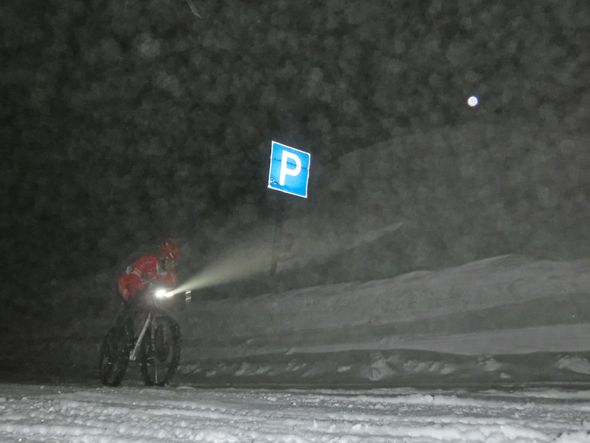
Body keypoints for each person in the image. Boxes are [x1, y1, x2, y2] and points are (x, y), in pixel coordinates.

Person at [115, 239, 180, 333]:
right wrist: (134, 294)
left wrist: (173, 304)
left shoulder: (172, 276)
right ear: (162, 259)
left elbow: (170, 294)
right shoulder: (146, 261)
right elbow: (133, 279)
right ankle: (121, 332)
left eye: (175, 263)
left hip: (146, 291)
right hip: (127, 284)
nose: (173, 266)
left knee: (151, 310)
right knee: (134, 305)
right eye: (171, 262)